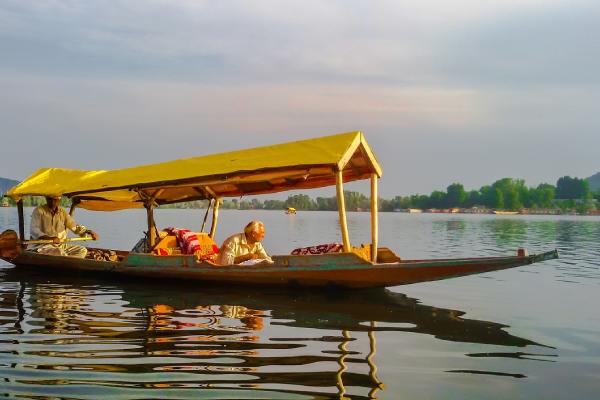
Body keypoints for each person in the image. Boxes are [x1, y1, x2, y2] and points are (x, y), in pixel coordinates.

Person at [29, 195, 99, 258]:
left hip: (59, 245)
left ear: (59, 201)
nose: (53, 202)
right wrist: (50, 238)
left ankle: (68, 263)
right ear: (47, 199)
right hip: (42, 246)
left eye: (55, 200)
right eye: (50, 199)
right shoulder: (39, 211)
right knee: (59, 252)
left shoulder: (62, 212)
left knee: (82, 250)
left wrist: (89, 231)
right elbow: (34, 230)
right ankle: (67, 262)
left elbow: (74, 226)